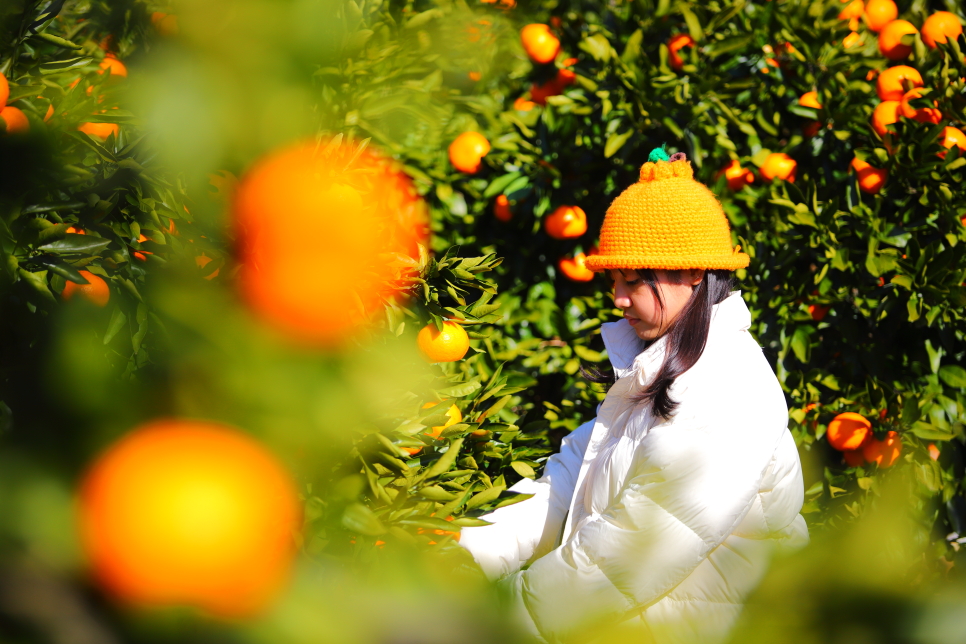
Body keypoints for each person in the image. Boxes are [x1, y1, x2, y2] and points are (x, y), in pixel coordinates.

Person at [458, 147, 808, 644]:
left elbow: (630, 550)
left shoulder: (728, 389)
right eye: (615, 279)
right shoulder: (657, 364)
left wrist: (503, 619)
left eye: (635, 279)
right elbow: (572, 475)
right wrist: (466, 552)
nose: (618, 298)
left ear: (693, 274)